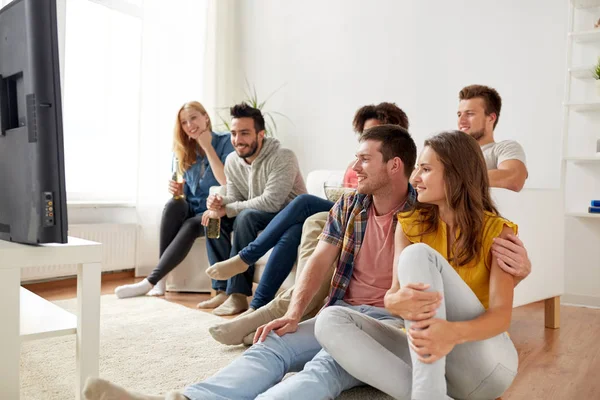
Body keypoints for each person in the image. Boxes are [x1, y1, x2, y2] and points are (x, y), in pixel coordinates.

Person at [82, 123, 420, 400]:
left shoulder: (425, 213)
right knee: (271, 346)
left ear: (394, 165)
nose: (354, 167)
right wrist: (293, 313)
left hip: (384, 324)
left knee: (324, 367)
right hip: (338, 314)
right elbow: (319, 259)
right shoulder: (350, 205)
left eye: (364, 159)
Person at [316, 130, 519, 399]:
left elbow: (501, 317)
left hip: (486, 362)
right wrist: (395, 303)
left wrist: (450, 333)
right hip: (438, 365)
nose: (415, 178)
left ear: (456, 174)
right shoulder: (410, 225)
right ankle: (430, 394)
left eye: (425, 169)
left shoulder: (498, 232)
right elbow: (392, 296)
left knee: (417, 256)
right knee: (329, 320)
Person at [208, 102, 411, 345]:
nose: (358, 163)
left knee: (309, 211)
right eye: (365, 134)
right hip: (351, 210)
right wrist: (220, 203)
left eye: (376, 133)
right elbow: (351, 195)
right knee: (299, 227)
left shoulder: (410, 193)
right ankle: (274, 307)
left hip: (345, 215)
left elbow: (272, 201)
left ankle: (252, 270)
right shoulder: (357, 172)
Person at [114, 101, 234, 299]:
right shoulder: (182, 149)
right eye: (184, 122)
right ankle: (160, 281)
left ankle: (150, 281)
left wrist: (207, 146)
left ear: (206, 117)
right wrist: (178, 191)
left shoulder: (226, 141)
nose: (190, 125)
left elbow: (226, 181)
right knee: (173, 205)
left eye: (193, 118)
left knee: (189, 224)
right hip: (193, 208)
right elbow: (184, 195)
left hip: (217, 211)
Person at [196, 103, 306, 316]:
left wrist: (228, 209)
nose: (238, 140)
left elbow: (271, 202)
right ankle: (221, 289)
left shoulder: (283, 156)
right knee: (211, 218)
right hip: (258, 212)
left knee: (244, 217)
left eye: (245, 133)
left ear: (261, 134)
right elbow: (236, 197)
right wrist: (219, 203)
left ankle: (238, 295)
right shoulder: (232, 160)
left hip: (286, 215)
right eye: (234, 133)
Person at [457, 84, 528, 192]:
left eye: (470, 114)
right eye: (459, 115)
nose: (461, 121)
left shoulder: (504, 148)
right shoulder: (451, 153)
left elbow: (514, 179)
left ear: (491, 118)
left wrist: (454, 180)